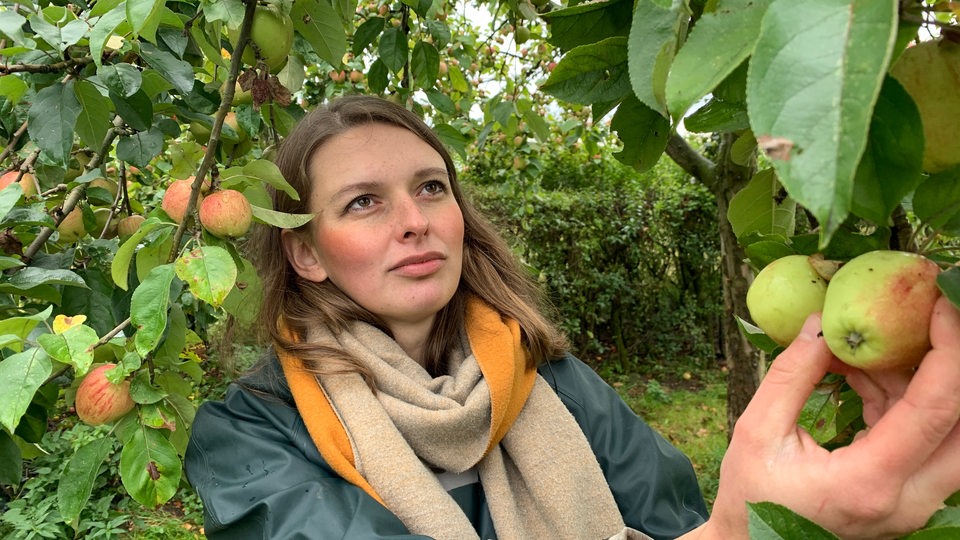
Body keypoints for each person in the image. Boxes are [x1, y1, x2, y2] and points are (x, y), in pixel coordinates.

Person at [184, 95, 960, 540]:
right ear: (307, 254)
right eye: (363, 203)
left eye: (430, 188)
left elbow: (669, 525)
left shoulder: (554, 382)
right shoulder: (252, 434)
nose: (415, 221)